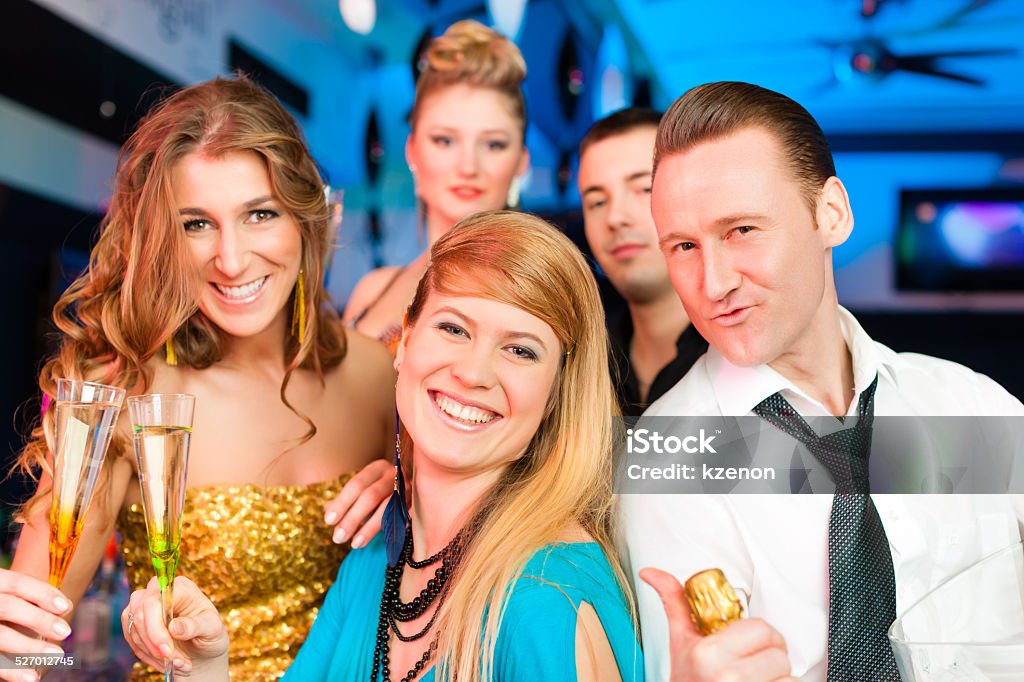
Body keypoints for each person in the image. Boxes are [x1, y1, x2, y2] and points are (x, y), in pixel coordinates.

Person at [123, 211, 644, 681]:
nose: (472, 372)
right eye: (453, 328)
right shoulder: (376, 562)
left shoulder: (544, 600)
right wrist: (207, 666)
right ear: (405, 343)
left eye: (520, 349)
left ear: (555, 394)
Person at [620, 81, 1024, 681]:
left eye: (742, 231)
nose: (712, 283)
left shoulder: (971, 406)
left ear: (830, 213)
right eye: (683, 245)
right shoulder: (675, 459)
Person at [4, 76, 397, 681]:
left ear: (304, 217)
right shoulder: (127, 394)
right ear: (163, 237)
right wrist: (14, 651)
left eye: (259, 214)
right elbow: (31, 638)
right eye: (196, 224)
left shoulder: (386, 377)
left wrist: (412, 491)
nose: (232, 259)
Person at [343, 20, 530, 350]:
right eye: (444, 140)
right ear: (412, 151)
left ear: (521, 162)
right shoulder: (373, 289)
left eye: (494, 145)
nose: (468, 166)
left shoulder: (534, 295)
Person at [577, 108, 706, 415]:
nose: (616, 217)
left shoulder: (751, 359)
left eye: (644, 189)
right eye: (597, 201)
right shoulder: (579, 368)